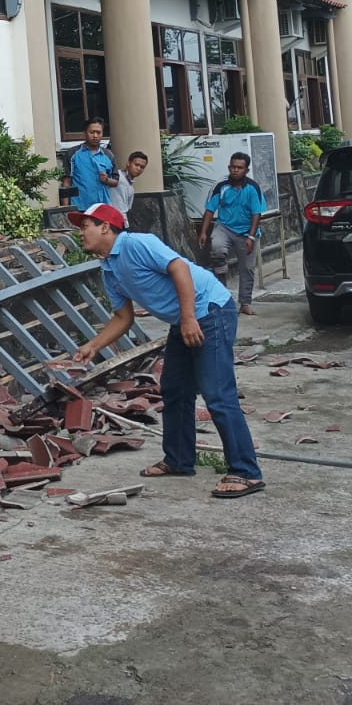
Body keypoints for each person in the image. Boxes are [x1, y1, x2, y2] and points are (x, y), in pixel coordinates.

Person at [65, 203, 264, 498]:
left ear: (105, 227)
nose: (81, 233)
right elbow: (123, 317)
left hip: (210, 310)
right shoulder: (109, 270)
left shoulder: (136, 244)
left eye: (85, 226)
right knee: (174, 390)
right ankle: (179, 460)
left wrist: (187, 319)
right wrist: (92, 346)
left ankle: (246, 472)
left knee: (218, 394)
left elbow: (179, 267)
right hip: (185, 318)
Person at [199, 152, 266, 316]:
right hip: (225, 227)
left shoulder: (252, 188)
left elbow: (256, 214)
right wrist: (203, 232)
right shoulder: (221, 186)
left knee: (247, 268)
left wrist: (250, 237)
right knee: (217, 249)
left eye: (239, 168)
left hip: (247, 231)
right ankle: (223, 293)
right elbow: (209, 209)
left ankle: (245, 303)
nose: (235, 170)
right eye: (233, 167)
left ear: (246, 170)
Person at [69, 117, 118, 209]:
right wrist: (66, 209)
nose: (95, 136)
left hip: (102, 206)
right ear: (85, 133)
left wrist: (107, 180)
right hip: (80, 207)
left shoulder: (108, 155)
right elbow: (67, 182)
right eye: (92, 132)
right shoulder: (73, 153)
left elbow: (116, 181)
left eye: (98, 132)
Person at [107, 151, 150, 215]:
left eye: (142, 167)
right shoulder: (116, 175)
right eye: (136, 165)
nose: (138, 168)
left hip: (122, 220)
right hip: (108, 217)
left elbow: (127, 208)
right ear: (128, 163)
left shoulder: (131, 188)